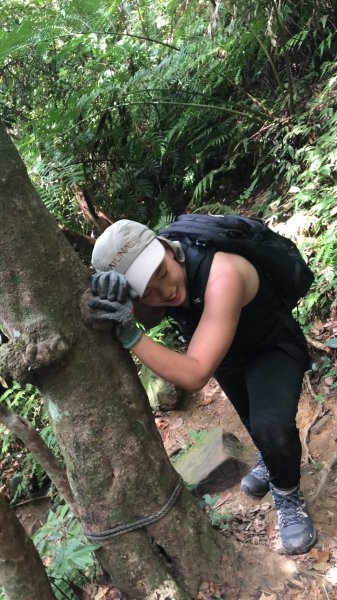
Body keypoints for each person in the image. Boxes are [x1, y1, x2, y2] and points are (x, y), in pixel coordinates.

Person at [88, 217, 317, 555]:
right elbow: (149, 308)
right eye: (148, 291)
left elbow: (195, 374)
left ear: (167, 248)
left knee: (272, 426)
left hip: (272, 346)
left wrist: (132, 334)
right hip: (226, 355)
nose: (165, 292)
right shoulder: (163, 279)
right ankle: (272, 460)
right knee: (254, 420)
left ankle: (287, 493)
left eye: (162, 274)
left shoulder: (224, 273)